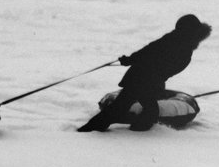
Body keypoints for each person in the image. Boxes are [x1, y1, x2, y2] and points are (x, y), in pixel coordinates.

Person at [78, 14, 211, 132]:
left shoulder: (180, 43)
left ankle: (104, 127)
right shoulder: (177, 43)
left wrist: (131, 61)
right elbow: (149, 52)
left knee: (129, 107)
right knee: (132, 108)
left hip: (146, 79)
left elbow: (153, 55)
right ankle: (128, 129)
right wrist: (130, 60)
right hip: (142, 79)